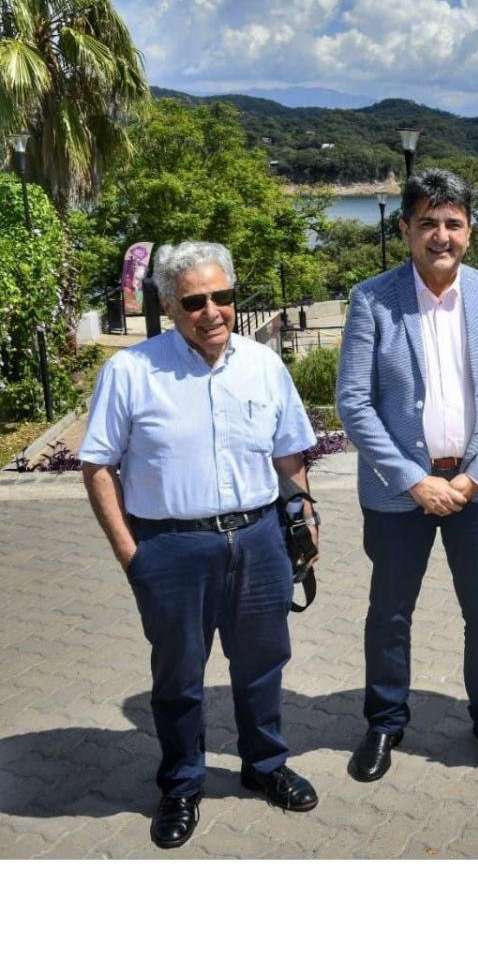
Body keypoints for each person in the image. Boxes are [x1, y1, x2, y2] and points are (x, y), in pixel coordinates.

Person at [80, 241, 320, 850]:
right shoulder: (132, 372)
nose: (212, 310)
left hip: (261, 538)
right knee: (180, 677)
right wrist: (130, 554)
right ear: (169, 304)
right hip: (172, 547)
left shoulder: (263, 366)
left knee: (264, 664)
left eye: (223, 296)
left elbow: (288, 450)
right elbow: (99, 466)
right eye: (194, 300)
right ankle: (182, 783)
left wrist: (303, 513)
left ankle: (264, 765)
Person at [336, 168, 478, 783]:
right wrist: (411, 478)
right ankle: (385, 722)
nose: (440, 235)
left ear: (470, 231)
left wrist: (474, 478)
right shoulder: (373, 298)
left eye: (453, 223)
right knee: (390, 611)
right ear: (405, 230)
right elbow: (354, 401)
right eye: (427, 223)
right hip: (401, 495)